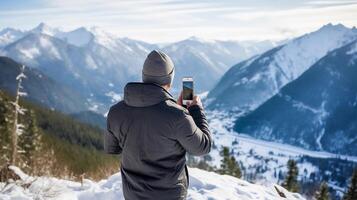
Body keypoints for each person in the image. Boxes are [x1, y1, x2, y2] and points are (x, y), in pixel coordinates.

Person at [104, 50, 212, 200]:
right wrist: (195, 109)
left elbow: (112, 148)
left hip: (133, 194)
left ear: (143, 76)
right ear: (170, 80)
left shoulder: (116, 112)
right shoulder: (178, 116)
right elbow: (203, 146)